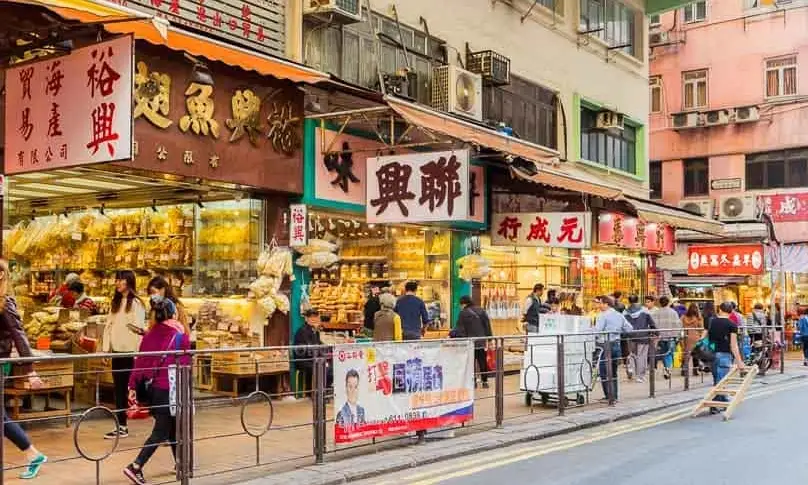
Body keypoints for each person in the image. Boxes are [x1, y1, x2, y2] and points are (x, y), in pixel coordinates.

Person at [123, 296, 191, 485]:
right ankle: (135, 466)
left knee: (171, 429)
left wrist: (131, 387)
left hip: (152, 390)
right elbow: (185, 367)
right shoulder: (180, 336)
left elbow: (139, 364)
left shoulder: (149, 335)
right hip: (169, 390)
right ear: (173, 314)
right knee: (161, 431)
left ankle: (182, 465)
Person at [0, 259, 48, 479]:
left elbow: (20, 336)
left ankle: (33, 453)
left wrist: (30, 370)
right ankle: (33, 454)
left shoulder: (5, 302)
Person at [103, 270, 147, 440]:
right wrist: (106, 349)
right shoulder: (114, 302)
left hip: (130, 353)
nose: (117, 283)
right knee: (119, 390)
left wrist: (137, 354)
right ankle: (121, 425)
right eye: (116, 280)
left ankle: (160, 422)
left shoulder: (136, 303)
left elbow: (139, 329)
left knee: (134, 389)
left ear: (129, 281)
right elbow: (108, 326)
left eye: (120, 280)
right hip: (117, 352)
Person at [704, 302, 745, 414]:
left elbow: (704, 337)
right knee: (721, 381)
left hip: (711, 354)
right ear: (731, 312)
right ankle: (715, 404)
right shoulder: (732, 325)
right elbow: (733, 345)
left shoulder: (710, 321)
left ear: (719, 309)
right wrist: (739, 361)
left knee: (717, 379)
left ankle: (722, 401)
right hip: (724, 354)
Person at [594, 295, 633, 401]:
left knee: (604, 372)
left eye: (600, 303)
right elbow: (629, 329)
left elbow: (597, 331)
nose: (599, 305)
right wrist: (618, 333)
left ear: (606, 304)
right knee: (613, 371)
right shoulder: (619, 315)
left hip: (605, 345)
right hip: (616, 345)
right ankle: (614, 396)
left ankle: (609, 396)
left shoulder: (602, 316)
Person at [453, 295, 493, 388]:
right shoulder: (481, 310)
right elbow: (487, 325)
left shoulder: (463, 313)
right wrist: (490, 339)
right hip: (481, 341)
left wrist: (453, 335)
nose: (460, 306)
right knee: (482, 360)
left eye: (460, 304)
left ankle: (473, 381)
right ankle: (485, 381)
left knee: (471, 362)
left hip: (470, 342)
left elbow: (460, 329)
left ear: (463, 304)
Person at [294, 309, 331, 395]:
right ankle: (317, 394)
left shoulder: (315, 331)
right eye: (311, 317)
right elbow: (308, 350)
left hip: (313, 359)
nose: (314, 319)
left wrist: (327, 349)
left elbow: (318, 344)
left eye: (316, 317)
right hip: (303, 360)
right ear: (306, 319)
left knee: (331, 368)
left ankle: (324, 391)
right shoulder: (302, 331)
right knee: (324, 369)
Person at [623, 295, 655, 383]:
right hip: (643, 336)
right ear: (638, 300)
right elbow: (651, 323)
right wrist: (656, 332)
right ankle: (640, 376)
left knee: (632, 354)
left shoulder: (625, 311)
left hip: (630, 336)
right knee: (642, 356)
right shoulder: (644, 310)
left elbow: (623, 324)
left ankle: (631, 371)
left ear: (629, 301)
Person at [654, 296, 682, 380]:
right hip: (671, 336)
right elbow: (678, 325)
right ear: (668, 302)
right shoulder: (673, 312)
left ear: (660, 303)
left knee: (663, 353)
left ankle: (667, 369)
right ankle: (668, 369)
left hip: (661, 336)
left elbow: (654, 325)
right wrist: (678, 335)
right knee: (669, 353)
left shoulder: (656, 312)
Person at [681, 304, 704, 376]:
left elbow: (680, 325)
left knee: (686, 353)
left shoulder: (683, 317)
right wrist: (701, 336)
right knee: (695, 354)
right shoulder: (698, 318)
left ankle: (684, 370)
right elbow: (701, 328)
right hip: (695, 336)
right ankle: (695, 370)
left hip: (686, 336)